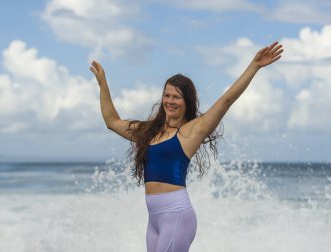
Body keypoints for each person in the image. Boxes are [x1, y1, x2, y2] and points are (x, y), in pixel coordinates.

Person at [90, 41, 283, 252]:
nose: (170, 101)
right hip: (153, 220)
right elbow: (112, 122)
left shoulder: (191, 132)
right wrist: (103, 84)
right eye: (167, 95)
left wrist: (254, 66)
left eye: (177, 97)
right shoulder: (148, 132)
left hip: (177, 216)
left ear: (187, 101)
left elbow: (227, 99)